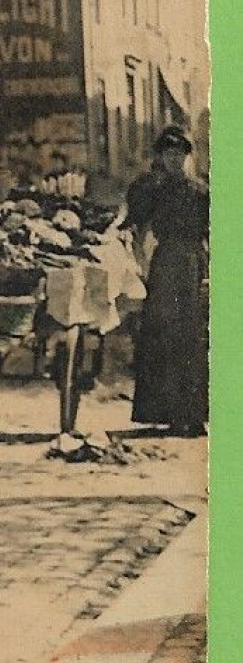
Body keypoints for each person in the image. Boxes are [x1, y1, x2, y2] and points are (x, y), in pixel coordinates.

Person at [126, 125, 209, 435]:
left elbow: (214, 233)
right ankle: (165, 413)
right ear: (161, 157)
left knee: (195, 338)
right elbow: (135, 221)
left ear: (188, 157)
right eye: (169, 155)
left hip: (194, 265)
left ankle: (195, 415)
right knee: (163, 336)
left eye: (181, 155)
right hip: (165, 267)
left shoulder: (201, 191)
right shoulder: (153, 189)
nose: (176, 161)